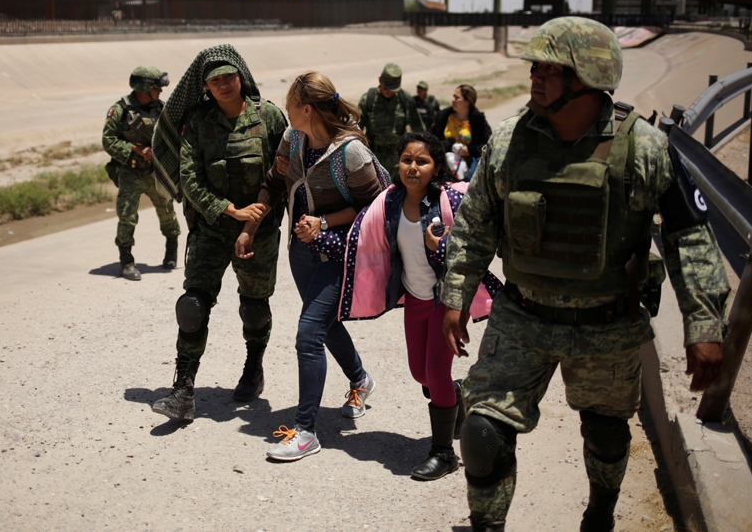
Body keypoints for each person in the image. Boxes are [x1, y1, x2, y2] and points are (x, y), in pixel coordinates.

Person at [440, 17, 731, 532]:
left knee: (607, 435)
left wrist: (703, 325)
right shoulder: (509, 142)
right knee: (482, 434)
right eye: (534, 66)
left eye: (551, 70)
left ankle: (599, 515)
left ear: (589, 77)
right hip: (522, 317)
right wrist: (457, 293)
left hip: (607, 325)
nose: (535, 77)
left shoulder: (644, 148)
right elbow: (476, 222)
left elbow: (690, 237)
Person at [237, 71, 388, 461]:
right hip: (301, 252)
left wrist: (325, 222)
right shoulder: (294, 138)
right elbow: (273, 182)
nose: (286, 112)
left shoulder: (350, 153)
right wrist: (250, 228)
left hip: (340, 254)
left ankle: (306, 431)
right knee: (325, 323)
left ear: (306, 108)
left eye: (290, 105)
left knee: (308, 334)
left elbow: (376, 210)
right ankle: (361, 379)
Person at [339, 130, 501, 480]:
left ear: (436, 167)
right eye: (407, 160)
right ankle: (456, 397)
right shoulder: (389, 201)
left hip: (446, 301)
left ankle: (443, 454)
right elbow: (361, 242)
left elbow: (468, 253)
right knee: (420, 373)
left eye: (422, 161)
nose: (413, 167)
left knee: (436, 373)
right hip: (415, 300)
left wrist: (436, 249)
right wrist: (319, 233)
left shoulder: (449, 202)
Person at [150, 46, 288, 420]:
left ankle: (253, 369)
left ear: (240, 76)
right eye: (214, 80)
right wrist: (229, 210)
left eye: (228, 77)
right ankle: (183, 391)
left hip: (258, 230)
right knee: (192, 307)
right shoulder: (198, 120)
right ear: (206, 87)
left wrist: (249, 222)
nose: (223, 84)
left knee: (255, 308)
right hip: (210, 228)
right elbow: (189, 177)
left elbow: (281, 175)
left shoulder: (270, 116)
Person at [101, 65, 181, 280]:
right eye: (156, 87)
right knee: (127, 217)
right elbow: (108, 140)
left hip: (156, 173)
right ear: (144, 88)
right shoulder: (120, 111)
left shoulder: (161, 109)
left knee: (167, 214)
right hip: (131, 173)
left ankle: (171, 252)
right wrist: (134, 150)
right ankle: (126, 262)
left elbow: (174, 136)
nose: (160, 91)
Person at [358, 63, 426, 174]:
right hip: (373, 159)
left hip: (398, 161)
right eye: (387, 88)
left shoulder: (405, 99)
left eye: (393, 89)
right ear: (380, 80)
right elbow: (356, 130)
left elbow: (418, 128)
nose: (389, 92)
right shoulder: (368, 100)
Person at [431, 84, 491, 183]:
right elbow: (432, 140)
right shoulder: (443, 117)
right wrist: (448, 145)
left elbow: (488, 144)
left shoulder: (478, 120)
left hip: (470, 172)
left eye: (457, 97)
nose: (453, 100)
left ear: (467, 102)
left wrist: (469, 150)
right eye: (453, 96)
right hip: (444, 169)